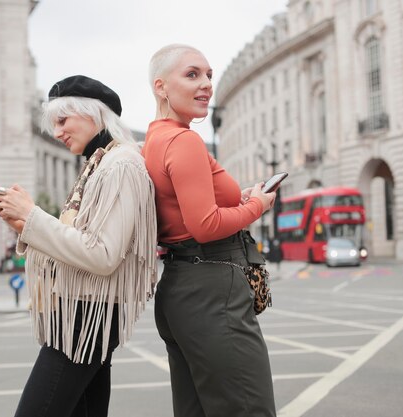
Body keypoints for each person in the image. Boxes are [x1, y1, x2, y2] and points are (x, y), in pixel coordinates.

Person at [0, 75, 158, 417]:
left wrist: (33, 216)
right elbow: (79, 239)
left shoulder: (120, 164)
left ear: (94, 114)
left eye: (63, 121)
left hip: (85, 316)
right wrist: (24, 223)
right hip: (80, 311)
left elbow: (103, 254)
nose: (57, 132)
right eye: (53, 124)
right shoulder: (99, 162)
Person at [142, 44, 277, 417]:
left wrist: (240, 200)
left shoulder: (154, 140)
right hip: (214, 287)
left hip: (181, 287)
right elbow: (205, 226)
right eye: (192, 74)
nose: (205, 85)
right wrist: (256, 206)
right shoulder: (184, 141)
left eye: (209, 76)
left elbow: (185, 214)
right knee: (249, 409)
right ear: (161, 86)